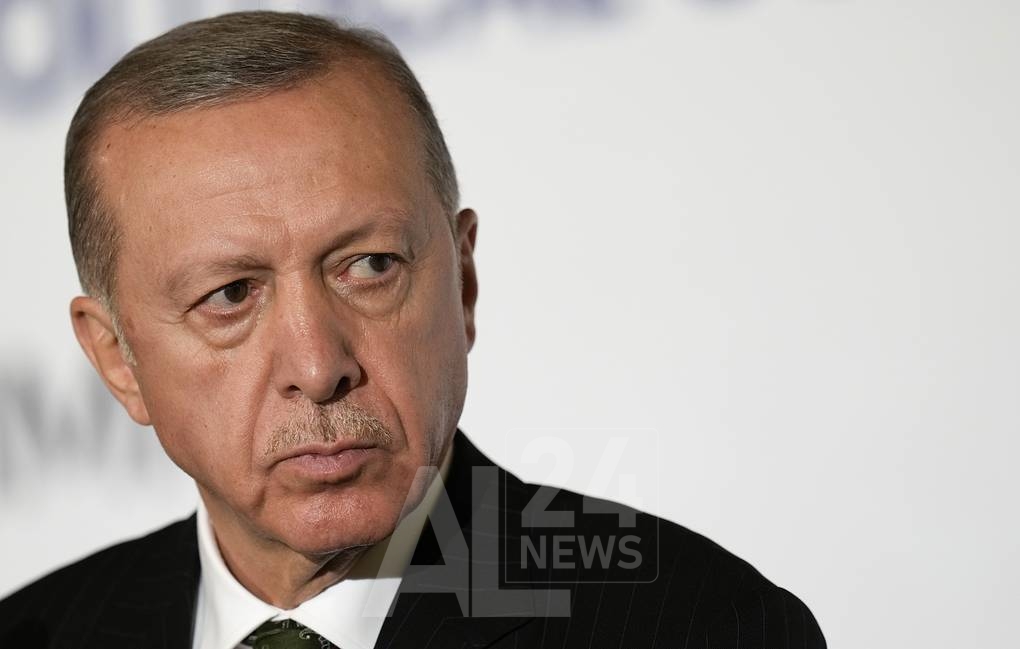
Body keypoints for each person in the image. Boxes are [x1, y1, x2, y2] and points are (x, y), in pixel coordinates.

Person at [0, 10, 825, 648]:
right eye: (231, 294)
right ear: (118, 359)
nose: (318, 365)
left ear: (462, 282)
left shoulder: (702, 627)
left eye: (370, 266)